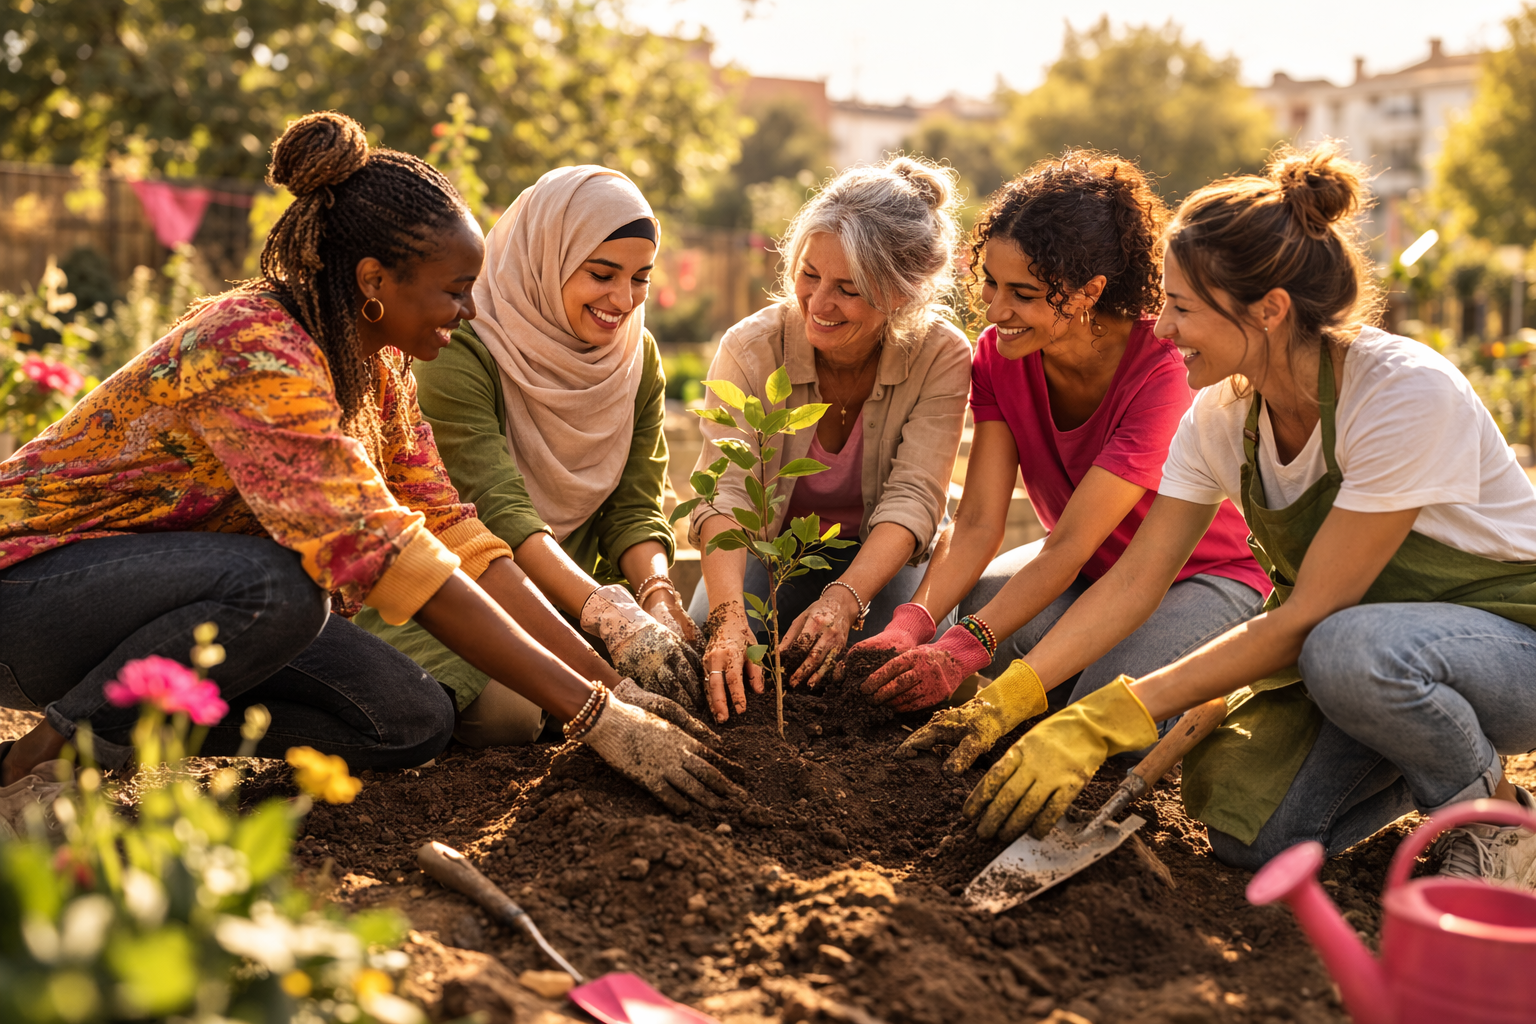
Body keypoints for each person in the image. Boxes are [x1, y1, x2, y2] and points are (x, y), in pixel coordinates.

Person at [0, 112, 737, 836]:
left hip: (167, 611)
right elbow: (379, 548)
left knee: (408, 717)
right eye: (454, 290)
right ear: (374, 278)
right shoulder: (251, 344)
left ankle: (124, 738)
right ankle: (53, 755)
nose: (470, 307)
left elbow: (455, 533)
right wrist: (594, 715)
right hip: (31, 596)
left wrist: (615, 685)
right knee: (280, 586)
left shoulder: (380, 374)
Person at [910, 145, 1536, 889]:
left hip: (1504, 644)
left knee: (1347, 649)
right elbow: (1140, 576)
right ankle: (1424, 750)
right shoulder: (1223, 414)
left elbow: (1309, 616)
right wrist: (1019, 689)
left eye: (1181, 308)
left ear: (1268, 310)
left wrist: (1109, 715)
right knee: (1252, 837)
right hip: (1369, 650)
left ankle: (1500, 826)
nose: (1163, 331)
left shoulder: (1401, 394)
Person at [851, 152, 1269, 715]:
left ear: (1088, 291)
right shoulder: (1000, 359)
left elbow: (1069, 543)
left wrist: (957, 651)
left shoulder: (1162, 369)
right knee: (982, 601)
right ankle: (1067, 684)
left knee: (1105, 707)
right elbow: (977, 522)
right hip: (1094, 571)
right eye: (991, 285)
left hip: (1204, 574)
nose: (997, 310)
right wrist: (913, 624)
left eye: (1022, 294)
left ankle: (1191, 696)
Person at [357, 165, 701, 745]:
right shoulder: (459, 345)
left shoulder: (635, 356)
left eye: (641, 277)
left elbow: (635, 507)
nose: (623, 299)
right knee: (508, 716)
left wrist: (656, 600)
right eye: (601, 273)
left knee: (663, 679)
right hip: (462, 584)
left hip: (582, 591)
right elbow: (496, 510)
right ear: (548, 257)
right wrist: (606, 620)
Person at [685, 156, 971, 723]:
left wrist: (844, 599)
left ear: (902, 294)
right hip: (769, 552)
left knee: (890, 680)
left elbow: (914, 498)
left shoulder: (941, 356)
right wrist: (727, 618)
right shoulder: (752, 349)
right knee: (707, 650)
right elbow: (726, 492)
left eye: (848, 289)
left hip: (879, 557)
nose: (818, 303)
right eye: (809, 274)